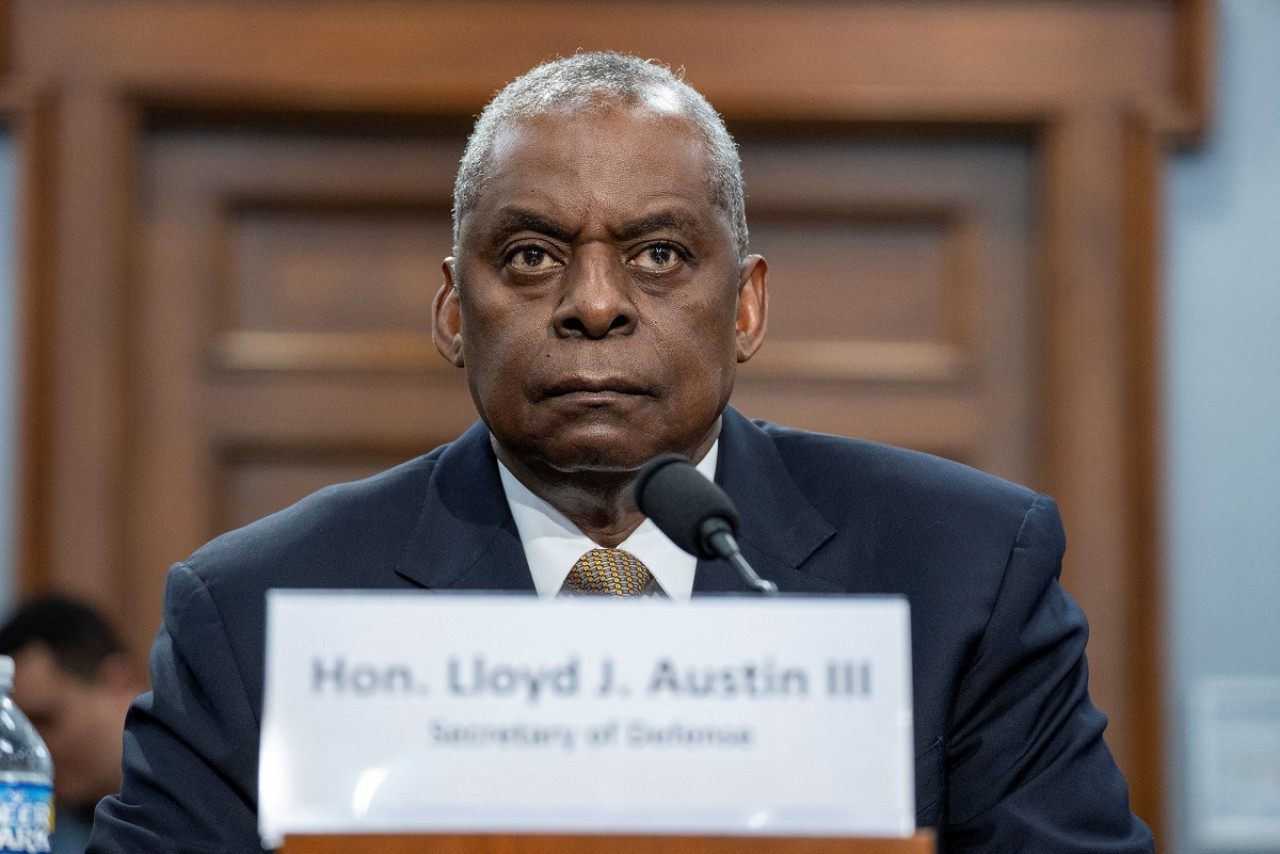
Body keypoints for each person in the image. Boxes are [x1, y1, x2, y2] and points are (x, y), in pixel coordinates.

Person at [87, 52, 1154, 852]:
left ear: (744, 304)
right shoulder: (254, 609)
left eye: (656, 254)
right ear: (455, 310)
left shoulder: (964, 567)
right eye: (531, 254)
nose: (593, 304)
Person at [0, 595, 143, 854]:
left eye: (43, 720)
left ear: (118, 682)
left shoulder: (208, 796)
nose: (27, 745)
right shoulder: (46, 824)